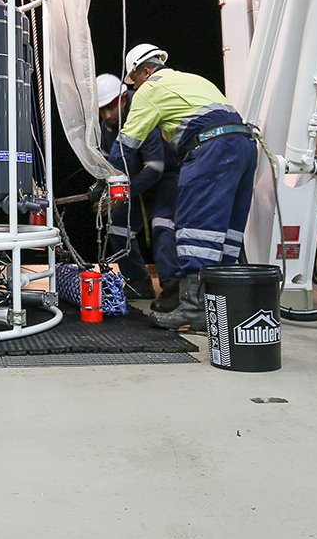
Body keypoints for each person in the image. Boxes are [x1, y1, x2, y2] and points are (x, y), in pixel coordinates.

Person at [110, 44, 255, 333]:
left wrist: (108, 176)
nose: (133, 87)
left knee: (195, 227)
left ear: (145, 71)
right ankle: (220, 307)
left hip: (210, 148)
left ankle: (193, 310)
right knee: (225, 232)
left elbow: (125, 148)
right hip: (244, 146)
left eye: (133, 79)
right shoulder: (195, 80)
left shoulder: (149, 90)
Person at [94, 72, 158, 300]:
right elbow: (106, 161)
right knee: (118, 224)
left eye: (110, 108)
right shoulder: (108, 122)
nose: (106, 115)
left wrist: (121, 194)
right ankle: (138, 282)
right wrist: (103, 189)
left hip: (164, 180)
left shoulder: (142, 109)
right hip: (132, 183)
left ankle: (175, 288)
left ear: (122, 99)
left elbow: (156, 167)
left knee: (165, 228)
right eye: (101, 110)